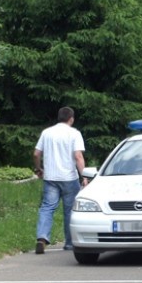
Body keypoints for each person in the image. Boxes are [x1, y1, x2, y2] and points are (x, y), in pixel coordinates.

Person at [34, 107, 88, 254]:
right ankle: (70, 243)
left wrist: (38, 169)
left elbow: (36, 153)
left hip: (50, 177)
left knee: (47, 208)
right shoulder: (74, 134)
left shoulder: (47, 133)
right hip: (69, 178)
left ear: (59, 117)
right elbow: (78, 157)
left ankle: (42, 237)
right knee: (70, 210)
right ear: (71, 118)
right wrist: (84, 176)